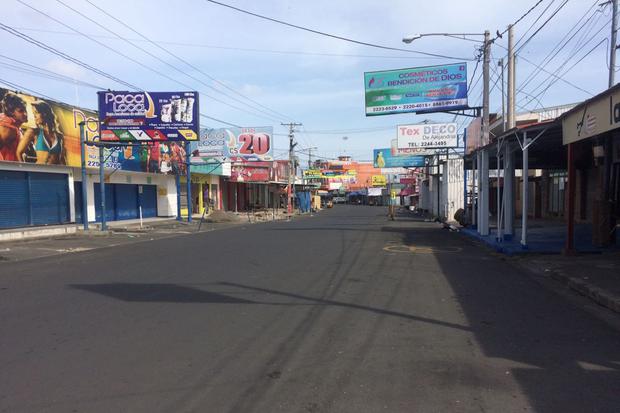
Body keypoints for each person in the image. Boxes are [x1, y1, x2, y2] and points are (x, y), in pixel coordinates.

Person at [17, 100, 65, 165]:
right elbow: (19, 152)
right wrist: (24, 170)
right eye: (33, 113)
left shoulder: (59, 136)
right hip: (39, 173)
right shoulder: (33, 132)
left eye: (36, 112)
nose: (34, 116)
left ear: (44, 113)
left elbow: (61, 159)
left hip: (56, 173)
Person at [0, 92, 28, 162]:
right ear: (11, 112)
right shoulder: (9, 129)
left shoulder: (14, 125)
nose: (25, 113)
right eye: (20, 111)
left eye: (25, 109)